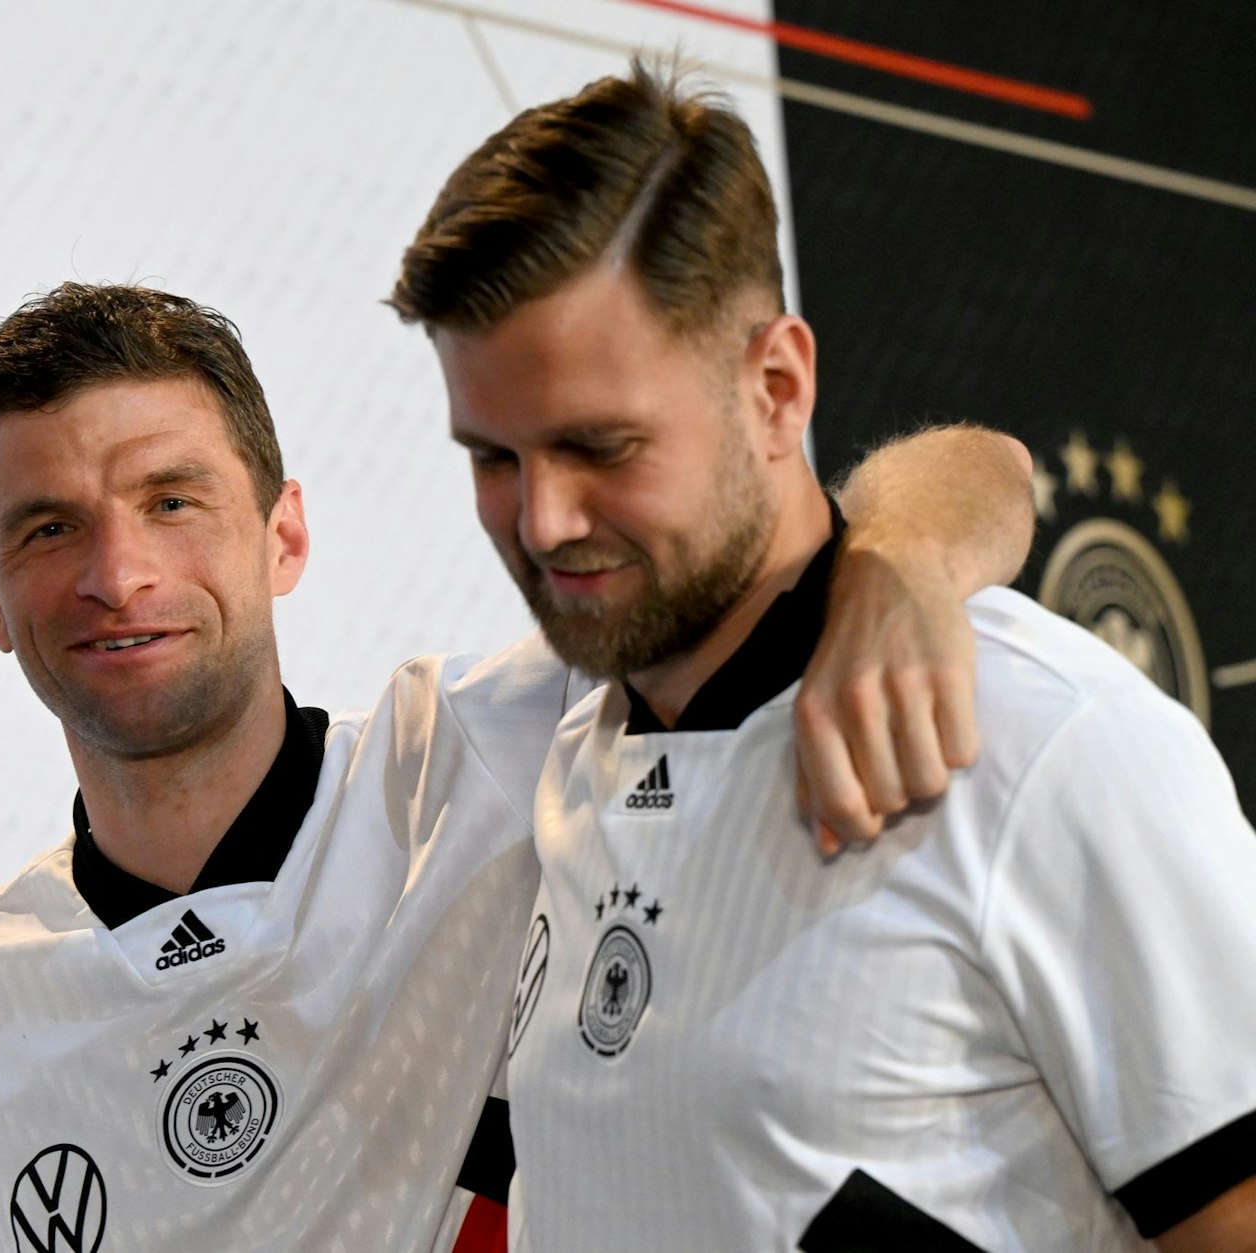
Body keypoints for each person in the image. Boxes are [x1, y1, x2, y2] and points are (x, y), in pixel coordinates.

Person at [0, 284, 1030, 1251]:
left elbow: (978, 469)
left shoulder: (497, 747)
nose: (117, 573)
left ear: (284, 535)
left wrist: (895, 572)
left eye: (171, 500)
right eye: (47, 528)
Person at [391, 62, 1256, 1250]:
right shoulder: (553, 745)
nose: (541, 520)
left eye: (601, 445)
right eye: (492, 456)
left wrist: (902, 550)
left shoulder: (1044, 740)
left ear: (776, 387)